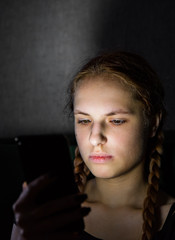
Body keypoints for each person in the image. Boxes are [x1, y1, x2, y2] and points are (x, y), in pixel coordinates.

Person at [11, 51, 175, 240]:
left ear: (153, 123)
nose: (95, 138)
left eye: (117, 121)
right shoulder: (43, 215)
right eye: (84, 121)